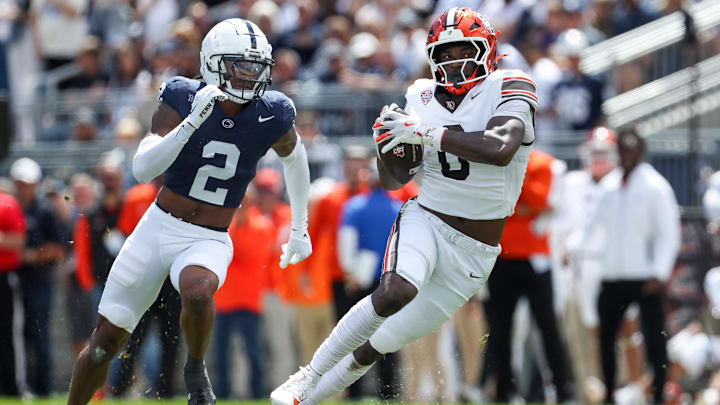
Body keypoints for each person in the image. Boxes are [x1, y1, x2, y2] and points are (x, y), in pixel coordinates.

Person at [271, 7, 538, 405]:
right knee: (394, 291)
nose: (454, 61)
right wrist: (390, 146)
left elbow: (500, 148)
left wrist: (427, 133)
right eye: (444, 54)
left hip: (475, 253)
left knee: (376, 345)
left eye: (462, 49)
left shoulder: (511, 85)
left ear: (487, 49)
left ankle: (307, 400)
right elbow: (394, 179)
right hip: (427, 220)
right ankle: (306, 377)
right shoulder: (420, 95)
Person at [67, 18, 312, 405]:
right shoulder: (182, 97)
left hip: (209, 236)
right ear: (213, 64)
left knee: (198, 292)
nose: (250, 76)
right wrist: (192, 122)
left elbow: (295, 159)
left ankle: (195, 369)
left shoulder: (272, 112)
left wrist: (300, 226)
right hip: (158, 226)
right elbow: (143, 169)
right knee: (104, 343)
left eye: (256, 67)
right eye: (240, 66)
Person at [569, 130, 681, 404]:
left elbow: (669, 232)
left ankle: (657, 392)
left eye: (632, 149)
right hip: (612, 274)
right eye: (623, 149)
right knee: (606, 337)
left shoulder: (655, 185)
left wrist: (660, 271)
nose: (628, 155)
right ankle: (609, 392)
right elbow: (591, 224)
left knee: (654, 336)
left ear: (640, 151)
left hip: (645, 276)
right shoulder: (609, 185)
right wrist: (574, 247)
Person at [12, 157, 66, 397]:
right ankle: (22, 386)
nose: (26, 188)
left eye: (29, 183)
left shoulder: (45, 211)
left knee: (39, 334)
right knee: (19, 337)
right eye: (22, 183)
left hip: (39, 282)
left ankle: (42, 388)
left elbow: (57, 249)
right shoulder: (12, 208)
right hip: (15, 283)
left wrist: (27, 256)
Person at [0, 189, 25, 396]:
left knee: (8, 336)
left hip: (3, 277)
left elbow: (18, 240)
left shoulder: (7, 202)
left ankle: (13, 389)